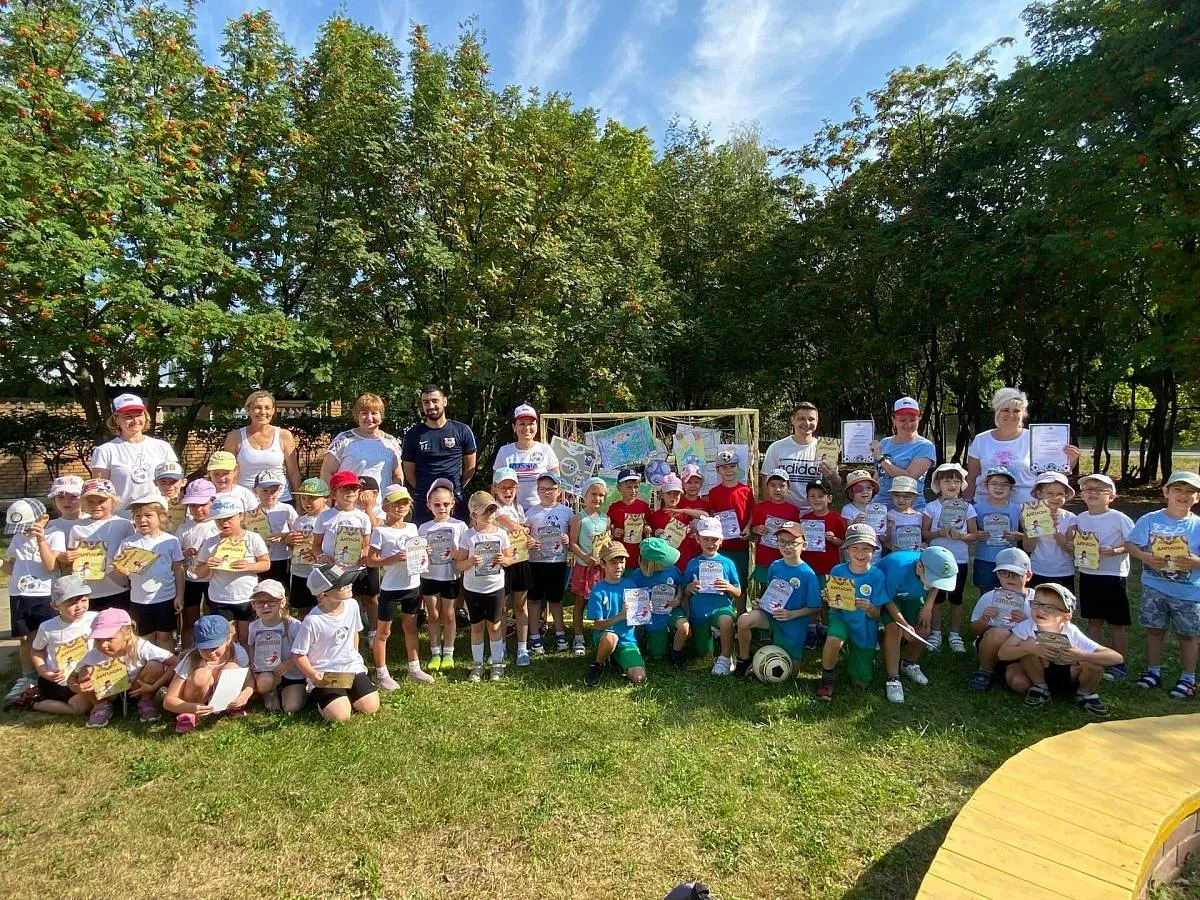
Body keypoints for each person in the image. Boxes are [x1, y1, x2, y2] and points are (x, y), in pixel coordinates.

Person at [1124, 471, 1200, 699]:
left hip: (1188, 593)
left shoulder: (1197, 525)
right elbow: (1131, 544)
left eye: (1190, 491)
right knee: (1154, 631)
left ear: (1197, 497)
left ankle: (1188, 678)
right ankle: (1153, 671)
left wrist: (1195, 562)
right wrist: (1145, 557)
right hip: (1154, 588)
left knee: (1188, 635)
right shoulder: (1150, 519)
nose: (1183, 495)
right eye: (1178, 489)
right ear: (1166, 492)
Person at [997, 582, 1122, 717]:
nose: (1041, 610)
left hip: (1068, 673)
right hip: (1039, 671)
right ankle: (1040, 687)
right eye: (1037, 604)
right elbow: (1002, 654)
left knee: (1094, 663)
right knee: (1028, 647)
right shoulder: (1027, 626)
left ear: (1066, 616)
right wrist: (1029, 649)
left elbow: (1117, 658)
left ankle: (1086, 694)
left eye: (1050, 608)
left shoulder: (1072, 631)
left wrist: (1083, 655)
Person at [291, 564, 380, 723]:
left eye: (348, 581)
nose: (349, 585)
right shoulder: (312, 621)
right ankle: (319, 696)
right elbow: (298, 655)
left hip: (350, 668)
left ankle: (345, 694)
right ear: (323, 594)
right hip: (325, 673)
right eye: (342, 584)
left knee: (371, 707)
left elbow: (354, 633)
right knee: (341, 717)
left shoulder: (352, 605)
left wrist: (356, 659)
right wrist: (313, 675)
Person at [365, 484, 432, 688]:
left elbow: (417, 553)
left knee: (410, 627)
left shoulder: (412, 528)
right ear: (385, 506)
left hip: (412, 584)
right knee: (384, 631)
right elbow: (370, 560)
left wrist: (424, 551)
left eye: (404, 502)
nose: (401, 506)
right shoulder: (380, 531)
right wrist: (392, 559)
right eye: (396, 503)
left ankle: (414, 667)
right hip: (391, 588)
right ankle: (381, 673)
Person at [964, 387, 1080, 504]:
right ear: (997, 411)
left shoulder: (1035, 438)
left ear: (1023, 413)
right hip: (986, 507)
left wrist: (1069, 461)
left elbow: (1052, 477)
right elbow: (972, 478)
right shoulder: (981, 440)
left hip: (1028, 508)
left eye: (1016, 411)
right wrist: (966, 504)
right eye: (1005, 410)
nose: (1010, 415)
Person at [875, 545, 959, 703]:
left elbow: (936, 585)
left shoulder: (933, 568)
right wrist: (904, 624)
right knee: (895, 629)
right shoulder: (897, 569)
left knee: (924, 628)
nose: (937, 583)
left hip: (911, 594)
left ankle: (908, 663)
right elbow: (887, 598)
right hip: (889, 595)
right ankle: (893, 678)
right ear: (919, 567)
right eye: (933, 578)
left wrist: (927, 607)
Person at [734, 522, 819, 677]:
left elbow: (814, 607)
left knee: (791, 675)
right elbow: (770, 593)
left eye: (792, 542)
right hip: (771, 616)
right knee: (743, 620)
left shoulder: (808, 574)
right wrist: (761, 603)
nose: (787, 547)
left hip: (793, 624)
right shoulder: (775, 566)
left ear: (804, 545)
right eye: (782, 542)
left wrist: (791, 614)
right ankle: (744, 659)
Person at [1070, 473, 1134, 681]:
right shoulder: (1080, 518)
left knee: (1116, 622)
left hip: (1113, 575)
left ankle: (1119, 662)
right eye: (1088, 489)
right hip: (1088, 573)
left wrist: (1115, 551)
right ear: (1082, 494)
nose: (1093, 493)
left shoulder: (1119, 518)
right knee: (1093, 619)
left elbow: (1134, 543)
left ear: (1111, 497)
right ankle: (1094, 659)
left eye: (1100, 490)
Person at [816, 524, 889, 700]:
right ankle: (827, 679)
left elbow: (876, 614)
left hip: (864, 625)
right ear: (847, 550)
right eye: (855, 548)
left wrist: (869, 608)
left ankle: (856, 654)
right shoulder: (838, 570)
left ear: (874, 550)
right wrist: (827, 598)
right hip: (841, 617)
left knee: (861, 683)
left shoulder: (877, 576)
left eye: (866, 548)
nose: (860, 553)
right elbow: (833, 606)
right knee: (833, 640)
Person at [72, 607, 175, 727]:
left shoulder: (141, 647)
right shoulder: (95, 654)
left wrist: (154, 687)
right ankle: (100, 707)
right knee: (84, 671)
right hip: (109, 694)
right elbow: (72, 677)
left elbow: (175, 662)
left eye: (109, 639)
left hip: (138, 691)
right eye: (98, 640)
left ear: (127, 633)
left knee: (155, 665)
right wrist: (78, 688)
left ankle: (145, 702)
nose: (103, 645)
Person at [193, 496, 271, 644]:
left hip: (247, 596)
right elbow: (199, 572)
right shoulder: (210, 542)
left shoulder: (253, 538)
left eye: (229, 518)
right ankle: (230, 659)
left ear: (241, 516)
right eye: (219, 520)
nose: (224, 523)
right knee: (228, 638)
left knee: (246, 637)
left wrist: (249, 566)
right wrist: (207, 565)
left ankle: (246, 659)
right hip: (219, 598)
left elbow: (266, 564)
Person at [455, 491, 514, 682]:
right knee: (477, 626)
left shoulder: (501, 533)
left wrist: (504, 559)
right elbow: (459, 564)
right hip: (473, 588)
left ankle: (497, 663)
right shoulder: (468, 536)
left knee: (495, 626)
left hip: (495, 587)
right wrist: (470, 562)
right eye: (485, 511)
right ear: (474, 514)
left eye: (492, 510)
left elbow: (510, 559)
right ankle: (477, 664)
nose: (489, 514)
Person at [921, 463, 979, 653]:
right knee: (936, 597)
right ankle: (936, 632)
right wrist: (938, 533)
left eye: (956, 481)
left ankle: (955, 634)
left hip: (959, 559)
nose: (952, 485)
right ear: (938, 483)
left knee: (956, 597)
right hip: (935, 559)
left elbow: (974, 534)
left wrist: (961, 536)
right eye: (947, 481)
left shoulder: (967, 508)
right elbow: (924, 533)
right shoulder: (931, 507)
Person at [3, 498, 55, 706]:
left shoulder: (53, 536)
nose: (24, 532)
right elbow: (12, 568)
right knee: (25, 637)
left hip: (44, 594)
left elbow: (50, 566)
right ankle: (27, 676)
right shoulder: (17, 539)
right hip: (18, 594)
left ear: (43, 519)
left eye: (27, 527)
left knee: (46, 634)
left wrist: (41, 541)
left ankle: (50, 672)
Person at [89, 393, 180, 511]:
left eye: (139, 415)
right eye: (128, 416)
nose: (135, 420)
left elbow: (175, 484)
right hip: (121, 517)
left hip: (157, 516)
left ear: (145, 416)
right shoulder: (104, 451)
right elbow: (100, 493)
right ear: (116, 419)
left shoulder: (163, 447)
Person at [118, 491, 185, 652]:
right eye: (138, 516)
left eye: (148, 515)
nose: (142, 520)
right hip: (139, 600)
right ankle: (149, 665)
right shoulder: (128, 543)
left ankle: (168, 663)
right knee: (145, 638)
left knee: (165, 636)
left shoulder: (171, 541)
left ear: (161, 517)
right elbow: (120, 568)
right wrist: (121, 570)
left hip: (166, 597)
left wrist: (180, 596)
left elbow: (178, 568)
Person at [401, 384, 477, 523]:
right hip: (424, 502)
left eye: (434, 400)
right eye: (426, 402)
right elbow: (409, 474)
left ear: (445, 401)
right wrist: (427, 492)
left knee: (458, 537)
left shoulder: (462, 430)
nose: (430, 406)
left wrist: (455, 488)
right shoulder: (413, 435)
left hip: (453, 500)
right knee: (424, 537)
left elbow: (470, 469)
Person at [163, 615, 253, 733]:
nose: (210, 652)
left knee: (232, 667)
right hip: (194, 702)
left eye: (215, 646)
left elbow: (250, 680)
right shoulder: (191, 659)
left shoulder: (238, 652)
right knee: (201, 675)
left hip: (222, 700)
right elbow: (169, 700)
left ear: (228, 638)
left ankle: (230, 705)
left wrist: (245, 695)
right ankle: (188, 714)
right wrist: (190, 707)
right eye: (204, 648)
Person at [23, 575, 97, 716]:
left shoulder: (94, 618)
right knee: (80, 709)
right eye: (71, 603)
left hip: (85, 676)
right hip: (59, 681)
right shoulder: (47, 627)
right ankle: (34, 702)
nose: (79, 607)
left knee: (97, 696)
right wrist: (44, 672)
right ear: (55, 605)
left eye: (84, 600)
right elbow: (36, 651)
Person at [418, 479, 469, 672]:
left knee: (448, 615)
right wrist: (423, 552)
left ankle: (448, 652)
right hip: (429, 576)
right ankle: (435, 653)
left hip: (450, 576)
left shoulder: (460, 526)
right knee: (433, 615)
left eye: (446, 504)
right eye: (437, 504)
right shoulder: (423, 528)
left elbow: (466, 551)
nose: (442, 508)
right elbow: (417, 554)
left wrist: (458, 554)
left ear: (452, 504)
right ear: (429, 505)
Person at [681, 516, 742, 676]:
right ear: (698, 539)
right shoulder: (693, 563)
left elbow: (738, 591)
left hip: (721, 608)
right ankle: (714, 637)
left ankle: (725, 657)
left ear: (721, 540)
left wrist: (729, 587)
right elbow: (684, 590)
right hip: (699, 613)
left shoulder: (727, 563)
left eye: (714, 539)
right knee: (703, 653)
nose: (710, 543)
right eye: (706, 539)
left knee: (726, 620)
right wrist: (689, 588)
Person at [967, 547, 1034, 692]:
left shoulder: (1036, 600)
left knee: (1020, 684)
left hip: (1019, 653)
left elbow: (1047, 631)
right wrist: (984, 619)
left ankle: (1006, 671)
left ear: (1028, 576)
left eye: (1015, 574)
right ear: (997, 575)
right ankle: (985, 671)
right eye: (1003, 573)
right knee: (999, 633)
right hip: (992, 644)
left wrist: (1027, 621)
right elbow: (975, 629)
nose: (1009, 578)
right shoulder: (989, 597)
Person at [63, 479, 135, 612]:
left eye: (101, 501)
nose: (96, 505)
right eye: (90, 501)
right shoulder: (77, 528)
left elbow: (131, 556)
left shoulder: (124, 525)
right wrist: (68, 558)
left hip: (118, 590)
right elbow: (70, 561)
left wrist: (125, 569)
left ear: (113, 501)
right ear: (83, 503)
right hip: (87, 593)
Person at [583, 543, 647, 687]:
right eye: (613, 562)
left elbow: (638, 618)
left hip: (627, 640)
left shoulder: (631, 585)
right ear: (603, 564)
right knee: (611, 638)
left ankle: (614, 657)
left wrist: (645, 611)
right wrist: (620, 616)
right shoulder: (598, 590)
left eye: (622, 562)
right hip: (605, 635)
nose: (618, 566)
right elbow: (598, 625)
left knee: (639, 677)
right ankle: (598, 664)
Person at [760, 402, 842, 513]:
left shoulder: (825, 449)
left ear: (817, 421)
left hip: (814, 514)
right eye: (801, 419)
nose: (807, 423)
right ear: (792, 420)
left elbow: (836, 484)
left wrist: (833, 476)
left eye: (811, 419)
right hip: (784, 514)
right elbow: (766, 482)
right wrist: (771, 511)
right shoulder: (777, 447)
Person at [525, 473, 574, 656]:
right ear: (537, 491)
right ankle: (534, 635)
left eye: (551, 489)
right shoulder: (530, 513)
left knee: (555, 599)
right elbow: (523, 536)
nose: (547, 492)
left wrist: (567, 538)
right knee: (534, 600)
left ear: (558, 491)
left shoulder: (566, 512)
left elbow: (573, 535)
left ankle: (560, 633)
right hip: (536, 562)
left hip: (557, 562)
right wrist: (529, 541)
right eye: (543, 489)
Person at [223, 390, 303, 501]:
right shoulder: (234, 437)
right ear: (248, 409)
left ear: (273, 410)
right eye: (257, 407)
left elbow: (293, 472)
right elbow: (227, 472)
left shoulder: (284, 435)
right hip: (246, 501)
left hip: (280, 500)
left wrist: (299, 503)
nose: (263, 412)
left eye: (267, 408)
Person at [492, 467, 535, 665]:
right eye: (503, 487)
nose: (508, 491)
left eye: (512, 487)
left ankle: (522, 647)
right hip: (502, 562)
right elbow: (512, 526)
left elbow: (523, 529)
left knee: (520, 605)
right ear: (495, 488)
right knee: (501, 607)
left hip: (520, 561)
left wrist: (529, 537)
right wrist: (526, 533)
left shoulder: (519, 508)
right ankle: (499, 646)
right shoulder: (494, 508)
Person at [320, 393, 405, 491]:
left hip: (382, 500)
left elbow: (397, 475)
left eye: (374, 413)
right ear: (357, 416)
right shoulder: (343, 439)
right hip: (349, 499)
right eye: (364, 413)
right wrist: (330, 497)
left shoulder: (391, 442)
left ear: (381, 416)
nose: (369, 418)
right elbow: (327, 472)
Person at [246, 580, 305, 713]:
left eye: (272, 601)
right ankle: (270, 692)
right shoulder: (254, 626)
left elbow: (305, 650)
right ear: (253, 605)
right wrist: (254, 667)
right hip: (267, 672)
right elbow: (252, 647)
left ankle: (300, 691)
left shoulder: (294, 625)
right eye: (259, 602)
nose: (265, 606)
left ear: (282, 602)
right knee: (264, 682)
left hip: (292, 673)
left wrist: (290, 662)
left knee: (291, 708)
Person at [567, 477, 611, 657]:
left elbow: (607, 542)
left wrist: (603, 558)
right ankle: (578, 637)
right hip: (583, 567)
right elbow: (572, 543)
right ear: (585, 495)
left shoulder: (605, 518)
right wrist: (585, 556)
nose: (597, 498)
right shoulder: (579, 518)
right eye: (593, 494)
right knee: (580, 602)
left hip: (600, 568)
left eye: (601, 495)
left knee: (602, 601)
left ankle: (602, 633)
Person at [707, 449, 755, 606]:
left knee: (740, 582)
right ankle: (724, 612)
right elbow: (712, 515)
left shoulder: (746, 491)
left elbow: (752, 513)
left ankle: (741, 614)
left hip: (741, 545)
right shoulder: (714, 492)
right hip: (721, 546)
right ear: (718, 471)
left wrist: (748, 528)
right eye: (724, 467)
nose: (729, 470)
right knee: (721, 581)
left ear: (737, 467)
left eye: (732, 466)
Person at [491, 404, 560, 510]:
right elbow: (495, 485)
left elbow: (557, 483)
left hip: (541, 510)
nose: (527, 428)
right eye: (522, 424)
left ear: (536, 426)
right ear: (514, 427)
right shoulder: (504, 451)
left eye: (531, 424)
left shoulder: (546, 450)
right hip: (512, 510)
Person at [873, 397, 936, 509]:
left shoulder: (925, 446)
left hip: (910, 509)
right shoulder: (884, 442)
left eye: (913, 420)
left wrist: (881, 459)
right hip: (879, 506)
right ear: (893, 419)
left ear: (919, 418)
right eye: (902, 420)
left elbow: (908, 477)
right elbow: (879, 474)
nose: (908, 424)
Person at [176, 478, 218, 648]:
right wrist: (185, 553)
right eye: (193, 505)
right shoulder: (183, 528)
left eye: (202, 505)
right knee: (189, 620)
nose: (198, 509)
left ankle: (213, 650)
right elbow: (176, 557)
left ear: (213, 501)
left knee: (213, 619)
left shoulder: (218, 525)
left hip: (213, 579)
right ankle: (188, 652)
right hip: (190, 580)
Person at [631, 537, 683, 662]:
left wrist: (678, 597)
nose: (669, 563)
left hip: (672, 611)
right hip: (653, 617)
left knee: (684, 627)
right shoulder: (636, 576)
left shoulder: (672, 569)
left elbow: (680, 585)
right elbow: (631, 599)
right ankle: (650, 638)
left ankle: (676, 651)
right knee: (657, 655)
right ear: (653, 563)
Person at [971, 466, 1023, 591]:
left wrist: (1019, 536)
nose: (999, 488)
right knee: (986, 592)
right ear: (986, 486)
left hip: (1010, 559)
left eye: (1004, 484)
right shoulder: (976, 509)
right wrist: (976, 534)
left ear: (1011, 488)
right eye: (994, 483)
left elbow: (1026, 535)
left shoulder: (1018, 509)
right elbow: (970, 533)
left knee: (1009, 593)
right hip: (985, 558)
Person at [1023, 472, 1077, 593]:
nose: (1055, 497)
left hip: (1063, 571)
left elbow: (1069, 548)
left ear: (1066, 496)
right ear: (1039, 494)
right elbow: (1028, 547)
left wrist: (1054, 529)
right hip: (1037, 569)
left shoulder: (1070, 518)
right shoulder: (1030, 516)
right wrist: (1036, 527)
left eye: (1060, 494)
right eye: (1050, 493)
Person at [749, 469, 802, 587]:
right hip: (764, 558)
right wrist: (755, 529)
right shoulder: (760, 508)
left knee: (783, 589)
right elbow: (752, 531)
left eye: (781, 486)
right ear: (767, 487)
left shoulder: (793, 511)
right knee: (764, 590)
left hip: (785, 559)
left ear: (788, 487)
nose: (777, 489)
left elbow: (797, 535)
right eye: (773, 485)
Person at [287, 477, 330, 618]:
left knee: (324, 606)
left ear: (325, 498)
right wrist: (290, 541)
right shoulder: (300, 520)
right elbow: (294, 545)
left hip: (321, 571)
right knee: (302, 607)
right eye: (303, 498)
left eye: (312, 498)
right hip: (301, 571)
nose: (307, 502)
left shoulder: (330, 518)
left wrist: (318, 552)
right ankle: (303, 628)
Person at [252, 468, 297, 583]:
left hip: (282, 557)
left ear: (280, 490)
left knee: (282, 588)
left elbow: (298, 530)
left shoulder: (286, 509)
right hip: (260, 559)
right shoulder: (251, 514)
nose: (269, 495)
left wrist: (284, 536)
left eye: (274, 490)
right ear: (255, 490)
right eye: (265, 490)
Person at [609, 467, 653, 568]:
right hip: (620, 557)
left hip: (640, 556)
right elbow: (607, 529)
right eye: (629, 487)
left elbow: (650, 525)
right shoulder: (614, 508)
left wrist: (647, 529)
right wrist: (613, 532)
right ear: (619, 488)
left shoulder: (643, 506)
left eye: (636, 487)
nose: (633, 491)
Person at [883, 476, 924, 552]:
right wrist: (890, 546)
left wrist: (924, 544)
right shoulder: (888, 515)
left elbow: (924, 537)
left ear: (914, 498)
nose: (901, 500)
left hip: (916, 555)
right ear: (892, 495)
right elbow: (883, 540)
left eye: (906, 497)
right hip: (897, 555)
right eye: (897, 495)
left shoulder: (920, 516)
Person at [152, 461, 188, 532]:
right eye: (163, 482)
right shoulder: (151, 503)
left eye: (173, 481)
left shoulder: (190, 502)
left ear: (183, 482)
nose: (168, 486)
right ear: (155, 482)